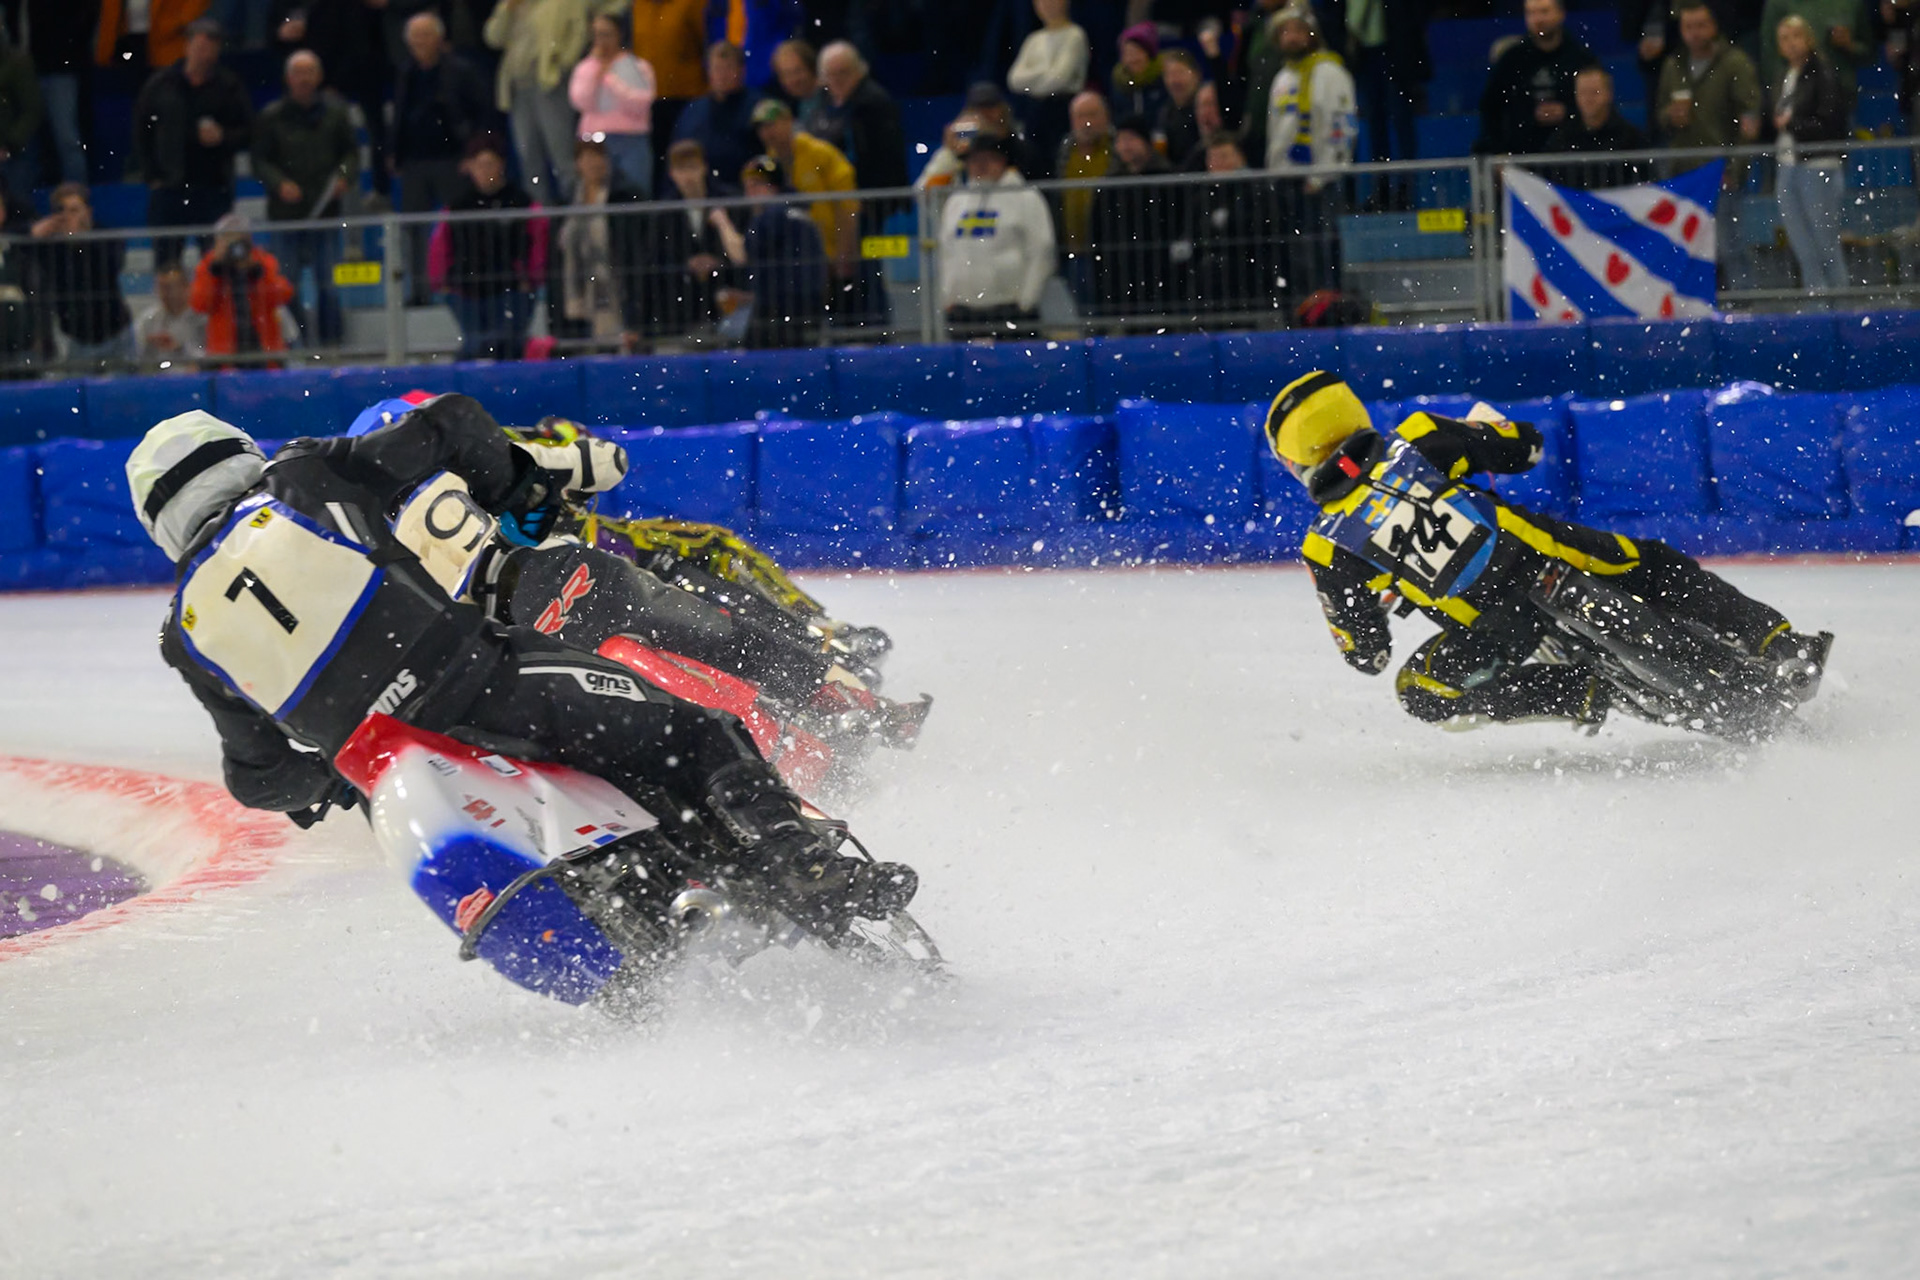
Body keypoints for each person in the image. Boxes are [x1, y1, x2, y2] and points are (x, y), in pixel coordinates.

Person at [123, 397, 916, 937]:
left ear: (162, 522)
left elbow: (257, 779)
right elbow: (563, 455)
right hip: (499, 655)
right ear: (238, 458)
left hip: (400, 771)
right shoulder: (302, 480)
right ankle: (804, 838)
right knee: (696, 720)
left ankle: (642, 908)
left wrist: (329, 779)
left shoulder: (182, 635)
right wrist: (523, 487)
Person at [1261, 372, 1830, 732]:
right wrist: (1494, 431)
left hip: (1499, 629)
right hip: (1549, 555)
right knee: (1655, 564)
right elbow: (1523, 448)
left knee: (1420, 693)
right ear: (1355, 412)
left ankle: (1579, 693)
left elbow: (1368, 656)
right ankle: (1778, 642)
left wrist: (1376, 604)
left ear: (1294, 462)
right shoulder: (1419, 436)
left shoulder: (1326, 548)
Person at [252, 49, 357, 348]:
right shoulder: (271, 117)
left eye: (309, 72)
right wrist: (279, 183)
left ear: (319, 77)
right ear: (288, 78)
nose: (304, 79)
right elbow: (259, 161)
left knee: (329, 285)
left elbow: (350, 152)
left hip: (325, 211)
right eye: (298, 73)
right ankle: (295, 342)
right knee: (287, 285)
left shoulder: (336, 113)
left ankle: (331, 343)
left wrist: (344, 176)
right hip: (286, 216)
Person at [132, 17, 254, 270]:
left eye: (210, 46)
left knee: (217, 262)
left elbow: (249, 132)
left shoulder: (229, 86)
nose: (203, 52)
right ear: (187, 46)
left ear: (218, 50)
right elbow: (142, 131)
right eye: (199, 45)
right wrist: (151, 175)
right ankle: (171, 309)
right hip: (169, 187)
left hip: (212, 187)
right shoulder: (161, 84)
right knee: (166, 263)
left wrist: (223, 137)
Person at [391, 11, 493, 306]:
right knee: (414, 230)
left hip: (454, 159)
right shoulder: (406, 72)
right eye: (414, 37)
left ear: (439, 38)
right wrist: (394, 154)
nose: (419, 42)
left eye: (425, 35)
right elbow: (399, 115)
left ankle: (466, 281)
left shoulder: (462, 70)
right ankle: (420, 290)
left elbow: (482, 113)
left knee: (463, 224)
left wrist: (473, 154)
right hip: (415, 162)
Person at [432, 132, 543, 360]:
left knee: (508, 344)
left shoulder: (521, 202)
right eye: (479, 165)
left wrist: (532, 277)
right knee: (477, 345)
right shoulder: (457, 206)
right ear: (469, 167)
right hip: (467, 290)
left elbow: (538, 241)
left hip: (512, 288)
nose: (484, 170)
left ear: (501, 165)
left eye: (489, 164)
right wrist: (441, 282)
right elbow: (440, 247)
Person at [936, 132, 1055, 337]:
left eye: (988, 159)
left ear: (1003, 161)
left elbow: (1042, 250)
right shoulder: (956, 201)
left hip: (1011, 310)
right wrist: (948, 297)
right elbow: (946, 251)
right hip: (963, 311)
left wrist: (1027, 301)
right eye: (974, 160)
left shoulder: (1026, 198)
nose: (980, 166)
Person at [1771, 13, 1849, 292]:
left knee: (1825, 244)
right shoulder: (1784, 76)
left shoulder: (1823, 73)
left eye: (1795, 36)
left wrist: (1792, 124)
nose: (1790, 43)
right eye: (1784, 39)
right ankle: (1817, 309)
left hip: (1818, 165)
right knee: (1803, 246)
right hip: (1787, 164)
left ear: (1808, 39)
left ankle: (1841, 309)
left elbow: (1830, 121)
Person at [483, 0, 590, 203]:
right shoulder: (510, 4)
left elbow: (579, 32)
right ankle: (539, 224)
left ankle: (577, 218)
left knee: (563, 158)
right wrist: (508, 9)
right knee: (529, 160)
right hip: (517, 88)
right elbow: (493, 38)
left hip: (549, 84)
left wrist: (563, 65)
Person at [635, 137, 740, 342]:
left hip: (724, 297)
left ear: (704, 168)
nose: (688, 176)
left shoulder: (730, 202)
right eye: (682, 170)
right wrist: (686, 265)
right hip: (679, 308)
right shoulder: (663, 213)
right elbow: (654, 261)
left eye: (692, 167)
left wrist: (718, 261)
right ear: (672, 174)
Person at [749, 98, 857, 293]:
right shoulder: (769, 162)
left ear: (789, 121)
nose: (767, 132)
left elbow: (847, 205)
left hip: (830, 250)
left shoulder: (819, 153)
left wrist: (844, 253)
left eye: (771, 125)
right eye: (761, 128)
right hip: (798, 258)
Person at [24, 182, 133, 371]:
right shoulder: (51, 245)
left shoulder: (106, 237)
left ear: (88, 211)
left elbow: (110, 268)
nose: (68, 216)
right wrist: (31, 233)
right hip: (76, 337)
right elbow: (17, 248)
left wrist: (82, 240)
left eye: (74, 210)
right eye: (63, 211)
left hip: (116, 333)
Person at [722, 153, 827, 348]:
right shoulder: (798, 212)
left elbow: (740, 256)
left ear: (774, 186)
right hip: (809, 306)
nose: (750, 193)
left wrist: (721, 221)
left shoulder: (771, 216)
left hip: (778, 311)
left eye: (757, 184)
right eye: (747, 186)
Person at [558, 135, 646, 349]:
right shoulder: (567, 200)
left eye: (599, 157)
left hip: (615, 283)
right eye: (588, 157)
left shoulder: (624, 196)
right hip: (578, 287)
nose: (594, 163)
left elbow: (634, 245)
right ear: (578, 163)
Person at [1474, 0, 1597, 155]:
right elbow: (1491, 108)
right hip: (1520, 157)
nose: (1538, 19)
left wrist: (1568, 112)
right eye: (1531, 13)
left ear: (1561, 13)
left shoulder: (1581, 58)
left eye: (1544, 11)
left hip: (1573, 157)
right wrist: (1497, 151)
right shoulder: (1511, 60)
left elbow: (1599, 104)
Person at [1089, 115, 1180, 322]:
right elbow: (1097, 232)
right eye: (1121, 140)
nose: (1125, 145)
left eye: (1131, 139)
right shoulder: (1108, 185)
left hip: (1159, 274)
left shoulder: (1167, 177)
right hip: (1121, 275)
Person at [1187, 131, 1284, 322]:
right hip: (1213, 267)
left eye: (1224, 156)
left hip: (1248, 265)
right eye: (1213, 158)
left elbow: (1255, 227)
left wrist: (1226, 224)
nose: (1218, 164)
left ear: (1239, 158)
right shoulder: (1203, 195)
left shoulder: (1255, 190)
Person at [1654, 0, 1763, 157]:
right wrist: (1671, 116)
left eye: (1701, 25)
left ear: (1715, 25)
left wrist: (1734, 169)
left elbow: (1749, 118)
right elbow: (1660, 113)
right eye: (1688, 27)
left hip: (1722, 164)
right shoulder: (1673, 65)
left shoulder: (1736, 63)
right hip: (1682, 166)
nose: (1694, 33)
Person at [569, 10, 657, 195]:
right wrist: (596, 74)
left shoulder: (638, 66)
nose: (601, 40)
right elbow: (580, 101)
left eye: (606, 34)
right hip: (593, 141)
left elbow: (641, 102)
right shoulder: (585, 67)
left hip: (630, 140)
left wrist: (610, 79)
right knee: (594, 194)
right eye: (597, 35)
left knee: (634, 193)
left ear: (619, 35)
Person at [190, 213, 296, 366]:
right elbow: (199, 304)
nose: (235, 246)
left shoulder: (263, 261)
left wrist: (257, 271)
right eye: (228, 239)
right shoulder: (209, 266)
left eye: (239, 239)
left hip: (264, 352)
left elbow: (283, 295)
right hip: (225, 356)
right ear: (218, 242)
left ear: (249, 240)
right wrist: (215, 270)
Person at [1339, 0, 1429, 167]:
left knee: (1401, 119)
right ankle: (1381, 186)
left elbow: (1418, 12)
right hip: (1362, 56)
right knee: (1374, 120)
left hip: (1396, 51)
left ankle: (1405, 185)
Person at [1006, 0, 1089, 177]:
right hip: (1035, 112)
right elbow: (1014, 79)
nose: (1047, 5)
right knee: (1032, 163)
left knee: (1058, 163)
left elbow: (1059, 78)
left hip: (1062, 109)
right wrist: (1046, 73)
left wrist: (1033, 78)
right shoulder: (1033, 39)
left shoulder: (1074, 35)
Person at [18, 0, 97, 184]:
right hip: (28, 70)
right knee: (26, 139)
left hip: (62, 69)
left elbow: (85, 23)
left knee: (66, 137)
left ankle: (77, 196)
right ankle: (22, 197)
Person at [1544, 65, 1652, 188]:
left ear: (1608, 94)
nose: (1588, 99)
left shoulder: (1632, 138)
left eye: (1595, 92)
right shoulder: (1560, 139)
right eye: (1583, 93)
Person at [671, 40, 760, 187]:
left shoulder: (758, 108)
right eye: (717, 68)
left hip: (747, 191)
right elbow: (678, 154)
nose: (722, 75)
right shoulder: (693, 111)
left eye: (729, 68)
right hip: (702, 191)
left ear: (742, 70)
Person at [1056, 89, 1115, 304]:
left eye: (1092, 114)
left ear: (1106, 117)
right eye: (1081, 116)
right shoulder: (1065, 150)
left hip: (1108, 249)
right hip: (1074, 249)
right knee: (1084, 312)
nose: (1086, 122)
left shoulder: (1116, 147)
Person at [1758, 0, 1869, 108]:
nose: (1792, 44)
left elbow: (1869, 52)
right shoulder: (1778, 4)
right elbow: (1769, 54)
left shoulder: (1852, 3)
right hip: (1792, 96)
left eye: (1797, 36)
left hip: (1842, 95)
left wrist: (1849, 45)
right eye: (1786, 38)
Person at [630, 0, 709, 149]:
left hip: (685, 96)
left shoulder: (692, 4)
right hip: (647, 98)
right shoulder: (638, 6)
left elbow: (705, 41)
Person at [136, 261, 208, 368]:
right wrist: (148, 345)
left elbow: (209, 358)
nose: (165, 293)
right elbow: (136, 358)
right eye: (161, 287)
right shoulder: (148, 320)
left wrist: (179, 349)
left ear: (186, 287)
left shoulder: (202, 319)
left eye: (169, 287)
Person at [0, 18, 41, 197]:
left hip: (13, 152)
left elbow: (33, 109)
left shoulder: (17, 63)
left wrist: (9, 145)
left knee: (17, 206)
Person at [1110, 21, 1167, 122]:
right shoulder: (1120, 85)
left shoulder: (1163, 79)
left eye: (1138, 52)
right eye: (1127, 53)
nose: (1133, 59)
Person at [1156, 47, 1203, 166]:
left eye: (1180, 73)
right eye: (1169, 75)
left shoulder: (1207, 106)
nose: (1175, 80)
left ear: (1196, 75)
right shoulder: (1166, 113)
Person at [768, 37, 816, 111]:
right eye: (787, 74)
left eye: (797, 71)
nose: (794, 80)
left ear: (811, 68)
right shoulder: (792, 105)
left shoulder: (830, 97)